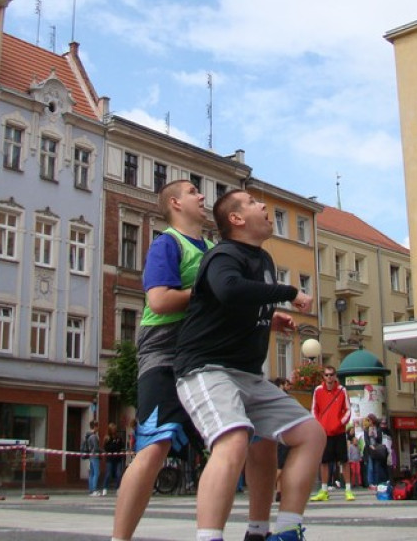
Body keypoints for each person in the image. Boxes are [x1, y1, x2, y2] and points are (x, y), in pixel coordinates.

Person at [111, 180, 276, 541]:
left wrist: (269, 314)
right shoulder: (167, 244)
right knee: (155, 447)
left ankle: (258, 531)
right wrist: (208, 293)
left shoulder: (217, 250)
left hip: (209, 354)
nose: (202, 196)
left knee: (259, 437)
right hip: (165, 352)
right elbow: (158, 301)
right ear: (175, 203)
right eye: (192, 192)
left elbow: (230, 301)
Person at [173, 189, 325, 541]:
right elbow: (228, 290)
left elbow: (237, 305)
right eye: (256, 203)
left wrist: (271, 319)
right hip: (205, 370)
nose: (265, 207)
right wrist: (288, 294)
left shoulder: (265, 261)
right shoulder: (224, 255)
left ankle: (282, 530)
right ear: (237, 219)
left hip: (248, 375)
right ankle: (209, 537)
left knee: (311, 434)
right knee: (234, 439)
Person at [311, 365, 354, 502]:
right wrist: (319, 425)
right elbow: (314, 409)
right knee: (324, 461)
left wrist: (339, 423)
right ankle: (324, 490)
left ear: (335, 376)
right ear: (323, 377)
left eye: (331, 375)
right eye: (326, 375)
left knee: (344, 461)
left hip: (339, 432)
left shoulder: (342, 390)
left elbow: (348, 410)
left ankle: (348, 489)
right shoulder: (318, 391)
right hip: (324, 432)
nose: (329, 378)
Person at [363, 414, 387, 487]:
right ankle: (370, 483)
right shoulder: (366, 429)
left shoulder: (378, 429)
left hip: (376, 449)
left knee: (376, 466)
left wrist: (375, 435)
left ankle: (376, 482)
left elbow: (380, 439)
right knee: (370, 467)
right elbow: (366, 439)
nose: (368, 422)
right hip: (370, 450)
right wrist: (370, 445)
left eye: (369, 420)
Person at [102, 422, 125, 496]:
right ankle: (105, 488)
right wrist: (114, 445)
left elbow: (121, 446)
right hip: (110, 459)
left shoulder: (119, 438)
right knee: (108, 474)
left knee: (119, 474)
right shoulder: (107, 438)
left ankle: (118, 488)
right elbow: (106, 448)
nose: (114, 431)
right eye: (113, 429)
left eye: (115, 429)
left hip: (118, 459)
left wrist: (118, 443)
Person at [85, 420, 102, 496]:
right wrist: (103, 451)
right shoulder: (94, 436)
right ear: (95, 426)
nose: (98, 428)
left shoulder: (88, 435)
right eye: (97, 426)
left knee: (91, 473)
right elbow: (96, 447)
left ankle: (91, 489)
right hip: (95, 456)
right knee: (96, 473)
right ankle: (94, 489)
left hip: (90, 456)